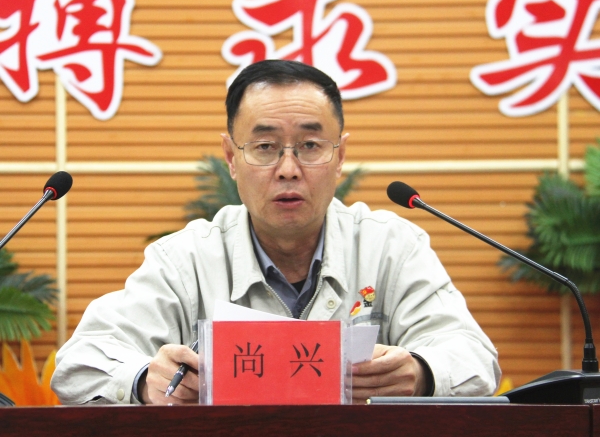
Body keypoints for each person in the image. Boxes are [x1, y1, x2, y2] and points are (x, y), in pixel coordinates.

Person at [51, 60, 500, 405]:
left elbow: (474, 356)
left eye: (310, 146)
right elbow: (79, 362)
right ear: (231, 157)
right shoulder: (185, 258)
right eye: (264, 147)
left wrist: (421, 371)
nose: (288, 169)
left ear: (340, 157)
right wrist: (141, 380)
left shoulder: (390, 246)